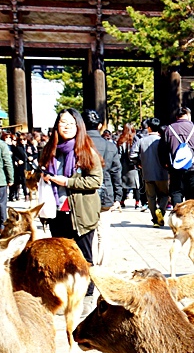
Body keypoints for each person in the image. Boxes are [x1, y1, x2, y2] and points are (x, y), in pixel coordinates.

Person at [40, 109, 105, 273]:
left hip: (81, 213)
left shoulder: (86, 151)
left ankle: (87, 293)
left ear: (78, 126)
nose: (67, 127)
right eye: (63, 122)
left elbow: (95, 180)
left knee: (83, 258)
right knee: (60, 257)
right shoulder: (49, 151)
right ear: (56, 126)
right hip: (57, 212)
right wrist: (44, 176)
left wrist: (67, 182)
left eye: (71, 123)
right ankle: (65, 293)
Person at [163, 108, 194, 206]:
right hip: (193, 167)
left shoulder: (169, 129)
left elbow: (163, 148)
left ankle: (179, 216)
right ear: (188, 115)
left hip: (176, 168)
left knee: (176, 193)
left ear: (176, 117)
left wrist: (166, 164)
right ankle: (191, 218)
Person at [84, 110, 122, 214]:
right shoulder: (110, 146)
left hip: (81, 194)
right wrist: (118, 197)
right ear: (100, 125)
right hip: (105, 193)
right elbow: (116, 172)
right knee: (102, 228)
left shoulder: (76, 145)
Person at [137, 117, 169, 225]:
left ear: (149, 128)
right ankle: (161, 211)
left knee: (150, 197)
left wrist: (139, 162)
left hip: (147, 173)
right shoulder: (162, 140)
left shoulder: (141, 141)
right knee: (164, 194)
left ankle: (155, 219)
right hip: (162, 173)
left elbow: (132, 154)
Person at [117, 124, 140, 206]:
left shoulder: (121, 140)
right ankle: (137, 202)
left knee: (124, 184)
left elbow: (119, 154)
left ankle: (122, 201)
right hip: (133, 166)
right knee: (135, 184)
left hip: (123, 165)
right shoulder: (135, 139)